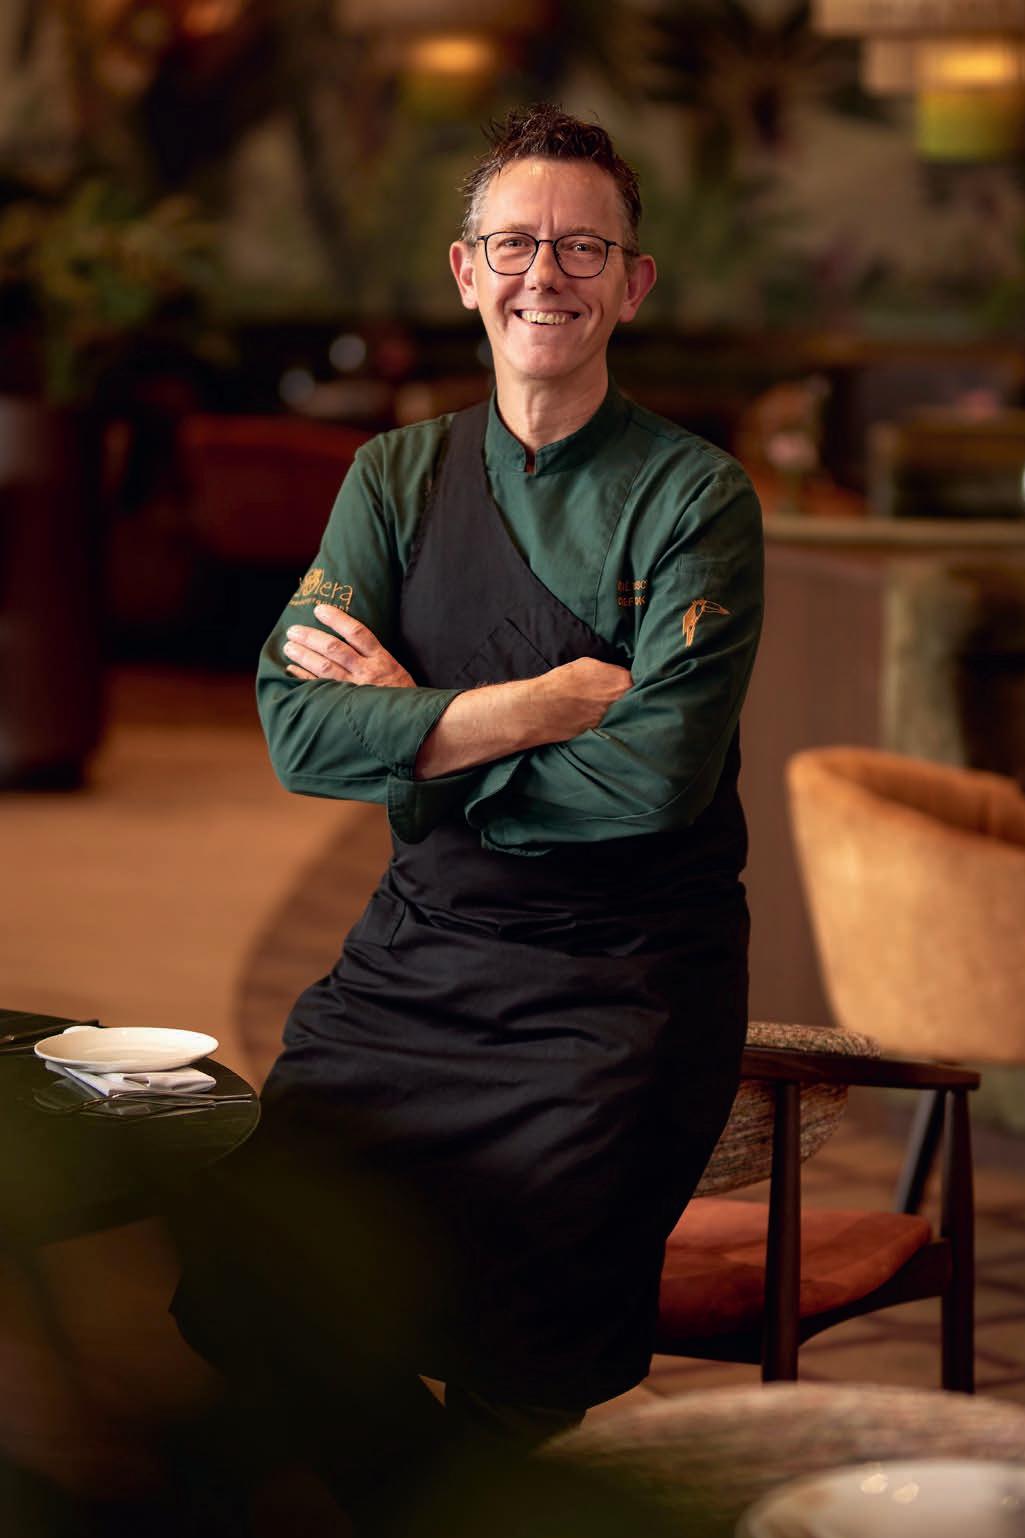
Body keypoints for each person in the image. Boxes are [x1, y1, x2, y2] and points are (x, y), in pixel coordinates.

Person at [179, 104, 764, 1457]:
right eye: (513, 243)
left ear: (632, 282)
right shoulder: (393, 475)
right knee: (246, 1267)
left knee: (523, 1342)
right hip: (418, 958)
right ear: (464, 270)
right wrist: (535, 707)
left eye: (581, 247)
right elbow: (297, 730)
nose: (543, 274)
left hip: (618, 990)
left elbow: (655, 779)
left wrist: (415, 739)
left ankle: (467, 1498)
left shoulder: (695, 499)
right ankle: (427, 1511)